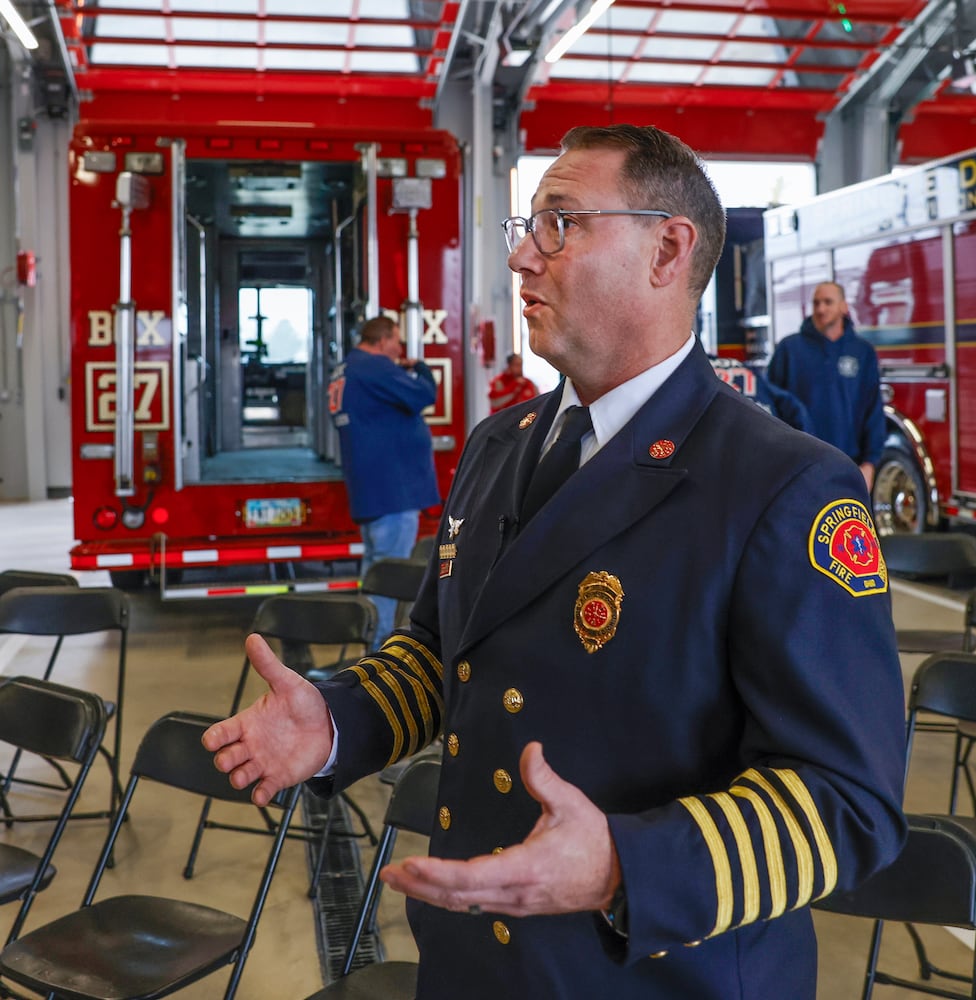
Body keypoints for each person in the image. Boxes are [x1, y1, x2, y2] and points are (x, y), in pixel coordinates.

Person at [206, 125, 906, 999]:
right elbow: (443, 653)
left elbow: (849, 802)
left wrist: (626, 864)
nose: (525, 260)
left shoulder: (785, 485)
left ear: (668, 248)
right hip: (472, 965)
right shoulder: (501, 445)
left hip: (647, 973)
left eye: (561, 224)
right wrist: (340, 724)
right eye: (527, 229)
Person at [328, 316, 440, 645]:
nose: (399, 350)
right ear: (381, 341)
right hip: (392, 492)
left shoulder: (346, 369)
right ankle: (378, 659)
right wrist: (418, 367)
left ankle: (369, 648)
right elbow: (423, 394)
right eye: (396, 342)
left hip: (372, 491)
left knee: (376, 575)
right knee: (389, 579)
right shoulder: (374, 367)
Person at [766, 281, 885, 491]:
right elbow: (769, 407)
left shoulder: (862, 352)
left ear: (843, 307)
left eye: (828, 302)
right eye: (816, 303)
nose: (821, 309)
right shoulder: (789, 349)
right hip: (799, 466)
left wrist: (870, 463)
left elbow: (873, 410)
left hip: (848, 464)